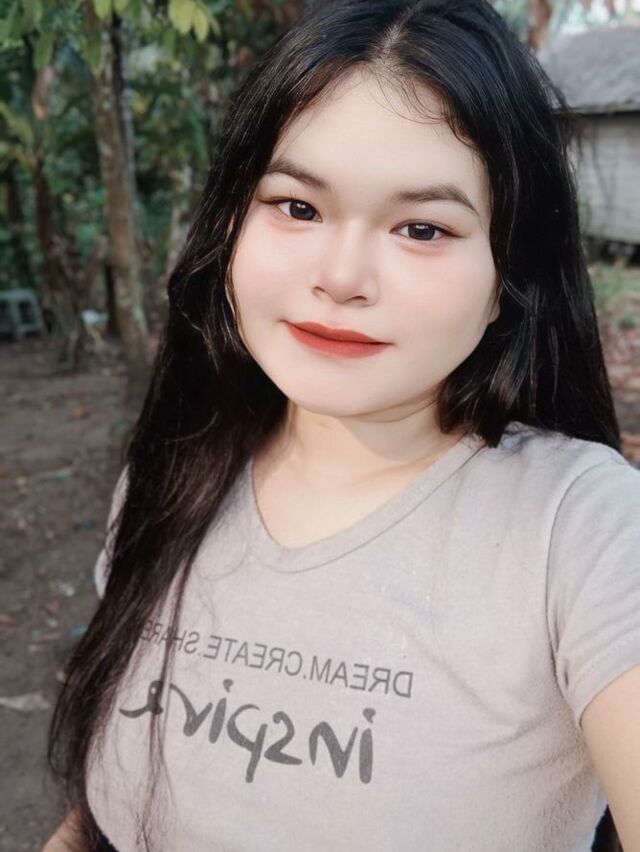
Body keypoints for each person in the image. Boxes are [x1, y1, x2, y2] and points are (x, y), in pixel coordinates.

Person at [44, 0, 640, 850]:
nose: (342, 275)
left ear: (508, 278)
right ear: (230, 224)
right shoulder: (169, 478)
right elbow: (103, 812)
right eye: (296, 207)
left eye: (422, 227)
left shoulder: (583, 532)